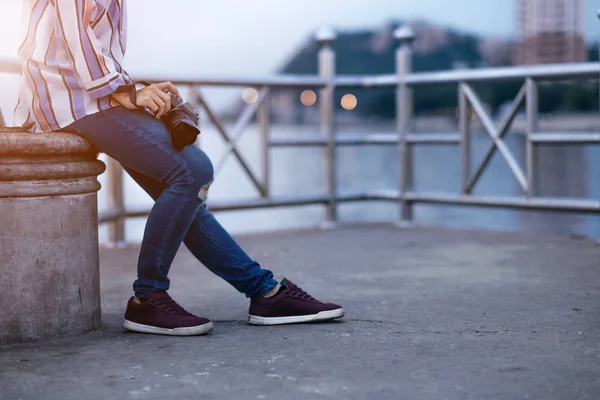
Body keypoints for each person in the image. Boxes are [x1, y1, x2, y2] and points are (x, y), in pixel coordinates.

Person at [14, 0, 344, 336]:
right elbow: (75, 35)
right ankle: (148, 297)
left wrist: (134, 88)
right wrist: (124, 91)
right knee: (192, 170)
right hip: (75, 105)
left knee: (183, 197)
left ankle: (265, 292)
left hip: (87, 100)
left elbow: (82, 42)